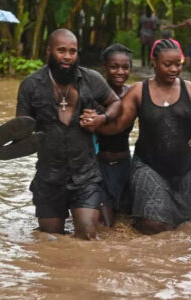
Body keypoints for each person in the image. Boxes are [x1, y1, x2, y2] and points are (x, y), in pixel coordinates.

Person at [88, 39, 191, 235]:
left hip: (186, 168)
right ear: (154, 62)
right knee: (153, 226)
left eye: (178, 64)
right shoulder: (139, 90)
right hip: (149, 166)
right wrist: (92, 125)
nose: (174, 69)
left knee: (185, 228)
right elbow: (118, 125)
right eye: (168, 64)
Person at [16, 28, 121, 240]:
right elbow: (21, 126)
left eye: (72, 51)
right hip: (49, 177)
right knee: (50, 239)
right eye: (61, 50)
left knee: (88, 234)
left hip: (85, 176)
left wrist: (102, 119)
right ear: (49, 51)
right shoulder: (31, 85)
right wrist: (19, 140)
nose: (67, 57)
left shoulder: (91, 79)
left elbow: (115, 102)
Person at [96, 44, 134, 226]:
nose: (120, 72)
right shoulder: (94, 94)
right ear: (104, 67)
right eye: (114, 67)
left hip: (125, 166)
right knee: (106, 225)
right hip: (98, 167)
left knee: (126, 222)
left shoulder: (133, 95)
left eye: (125, 67)